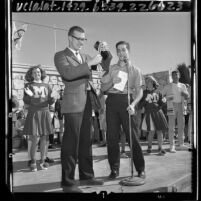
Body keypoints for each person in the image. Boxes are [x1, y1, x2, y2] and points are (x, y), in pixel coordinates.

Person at [54, 26, 112, 193]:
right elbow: (68, 74)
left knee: (86, 140)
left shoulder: (86, 56)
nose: (82, 42)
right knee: (71, 143)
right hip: (72, 103)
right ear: (70, 38)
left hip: (88, 101)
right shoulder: (61, 55)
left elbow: (105, 65)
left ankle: (87, 176)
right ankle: (68, 183)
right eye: (79, 39)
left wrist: (105, 52)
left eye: (84, 39)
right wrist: (89, 63)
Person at [101, 41, 145, 180]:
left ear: (128, 52)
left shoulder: (135, 70)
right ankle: (114, 170)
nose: (121, 53)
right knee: (112, 138)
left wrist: (133, 104)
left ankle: (140, 169)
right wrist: (112, 82)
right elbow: (103, 88)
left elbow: (140, 92)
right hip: (112, 101)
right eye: (118, 50)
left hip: (127, 103)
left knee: (133, 138)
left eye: (123, 50)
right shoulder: (112, 68)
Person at [23, 65, 57, 171]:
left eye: (38, 72)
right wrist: (29, 96)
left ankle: (42, 161)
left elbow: (50, 101)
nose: (37, 74)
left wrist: (54, 97)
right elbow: (27, 101)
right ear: (31, 74)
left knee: (45, 138)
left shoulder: (47, 86)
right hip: (33, 113)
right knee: (34, 138)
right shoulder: (28, 85)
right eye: (34, 72)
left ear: (41, 73)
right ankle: (33, 161)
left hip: (45, 112)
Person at [162, 69, 190, 153]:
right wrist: (164, 98)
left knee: (181, 125)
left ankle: (181, 143)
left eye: (177, 74)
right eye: (173, 75)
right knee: (171, 127)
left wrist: (184, 94)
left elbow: (187, 96)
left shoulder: (183, 86)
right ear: (172, 76)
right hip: (172, 106)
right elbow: (162, 95)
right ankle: (172, 145)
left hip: (181, 106)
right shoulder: (168, 86)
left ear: (179, 76)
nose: (175, 76)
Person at [140, 76, 168, 155]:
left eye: (148, 81)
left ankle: (160, 147)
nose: (147, 83)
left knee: (159, 131)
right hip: (149, 113)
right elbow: (140, 105)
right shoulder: (144, 92)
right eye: (146, 82)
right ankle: (149, 147)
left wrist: (163, 101)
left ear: (152, 82)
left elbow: (160, 104)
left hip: (158, 112)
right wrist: (145, 100)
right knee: (151, 131)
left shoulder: (158, 92)